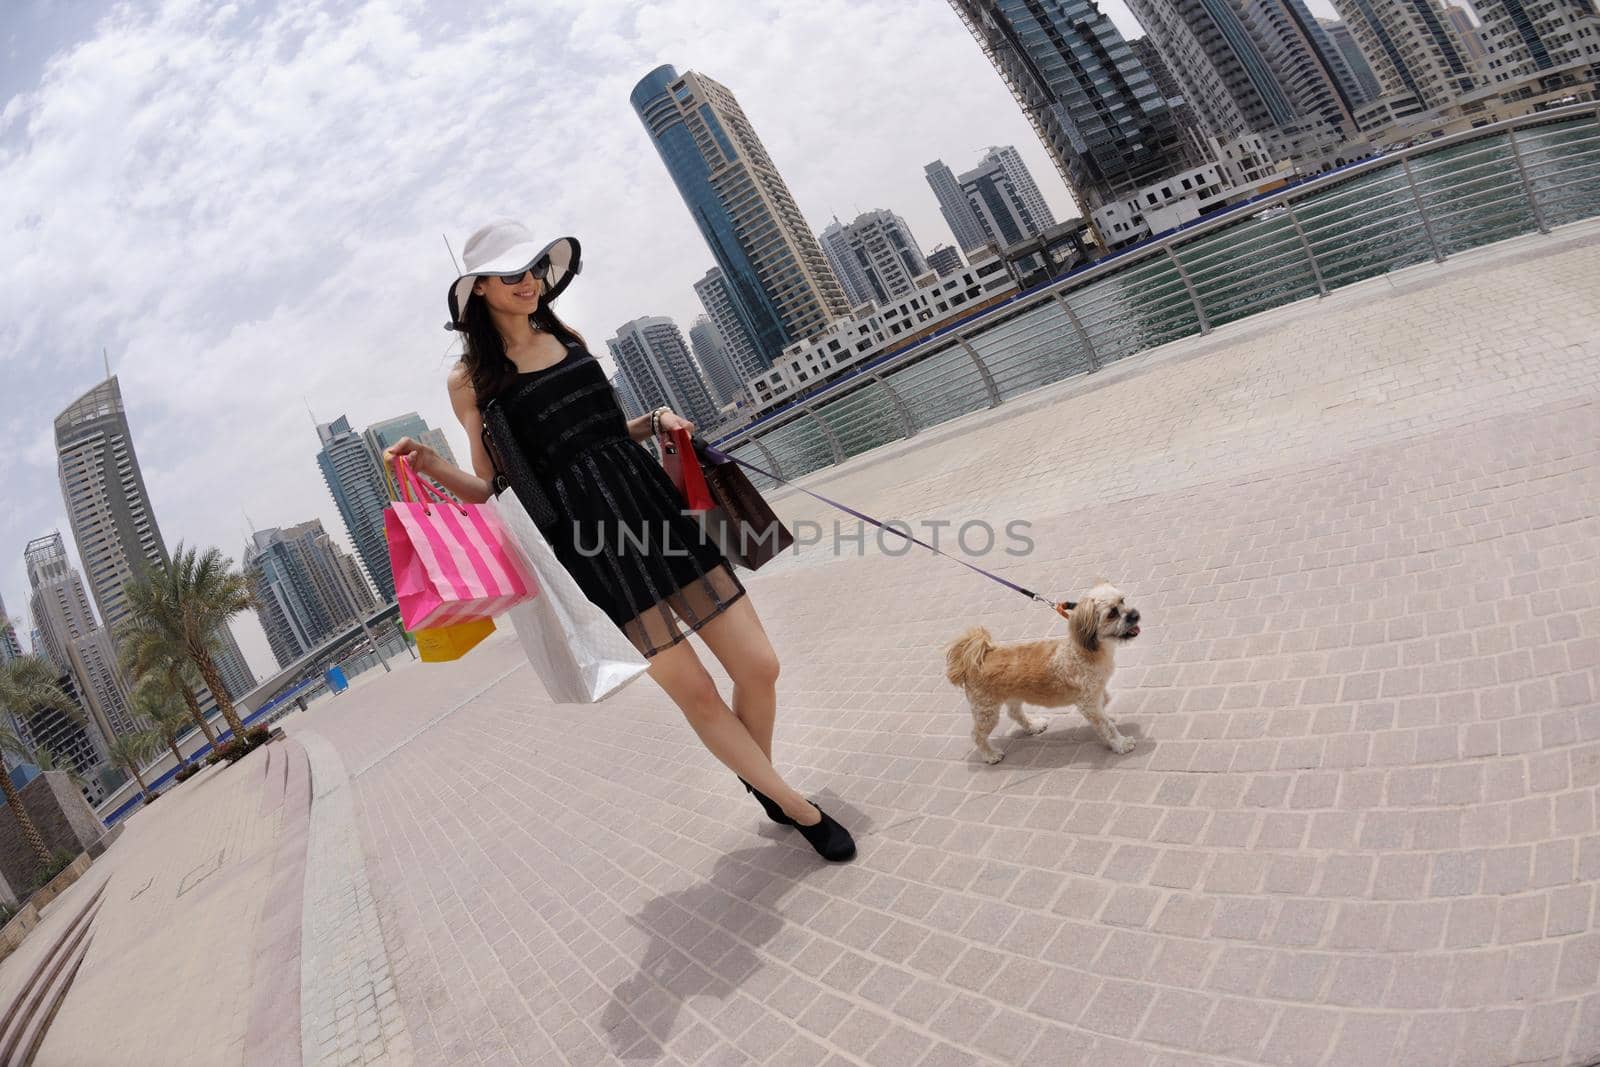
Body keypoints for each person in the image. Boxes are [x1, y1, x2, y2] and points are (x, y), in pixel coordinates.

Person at [383, 219, 854, 862]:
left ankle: (761, 780)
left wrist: (654, 420)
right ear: (480, 290)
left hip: (651, 509)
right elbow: (490, 485)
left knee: (759, 665)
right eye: (512, 275)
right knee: (696, 692)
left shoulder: (566, 335)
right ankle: (797, 808)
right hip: (591, 545)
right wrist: (431, 466)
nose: (529, 283)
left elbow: (605, 434)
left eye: (534, 270)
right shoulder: (470, 380)